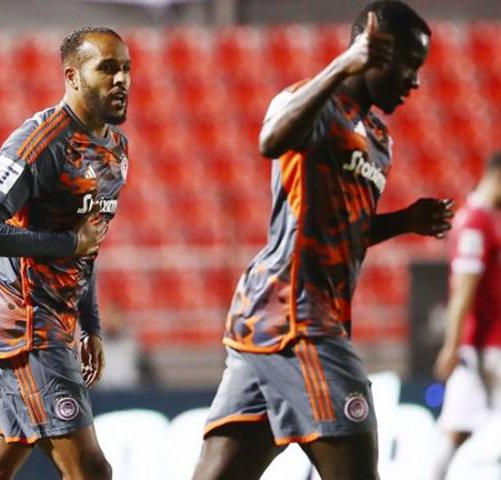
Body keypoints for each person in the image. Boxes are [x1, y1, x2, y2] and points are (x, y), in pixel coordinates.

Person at [192, 2, 454, 479]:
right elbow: (271, 140)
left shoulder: (379, 139)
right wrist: (342, 65)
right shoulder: (311, 102)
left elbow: (344, 231)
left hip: (279, 325)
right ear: (375, 54)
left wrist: (404, 221)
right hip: (298, 317)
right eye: (408, 65)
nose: (415, 81)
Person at [0, 26, 131, 480]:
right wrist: (68, 244)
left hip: (54, 325)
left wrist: (91, 324)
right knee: (91, 471)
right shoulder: (40, 142)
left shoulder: (115, 149)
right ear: (72, 76)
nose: (121, 80)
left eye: (126, 68)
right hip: (24, 328)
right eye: (107, 68)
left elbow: (88, 247)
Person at [431, 151, 501, 479]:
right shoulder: (476, 222)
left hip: (483, 348)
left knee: (455, 431)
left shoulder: (486, 219)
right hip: (483, 349)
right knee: (454, 432)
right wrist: (453, 345)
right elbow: (464, 289)